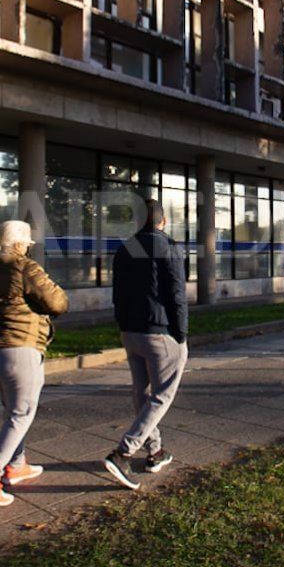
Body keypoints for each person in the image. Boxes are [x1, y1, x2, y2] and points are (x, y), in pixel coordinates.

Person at [0, 220, 69, 507]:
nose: (27, 248)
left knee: (11, 410)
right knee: (21, 413)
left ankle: (18, 464)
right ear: (20, 244)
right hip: (17, 349)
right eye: (26, 244)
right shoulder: (23, 266)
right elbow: (57, 302)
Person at [104, 200, 189, 490]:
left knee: (142, 393)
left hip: (130, 331)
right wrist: (181, 335)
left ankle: (155, 451)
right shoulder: (168, 247)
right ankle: (123, 453)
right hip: (159, 332)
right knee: (162, 395)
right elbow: (176, 295)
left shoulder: (125, 248)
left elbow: (116, 292)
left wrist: (122, 324)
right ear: (163, 222)